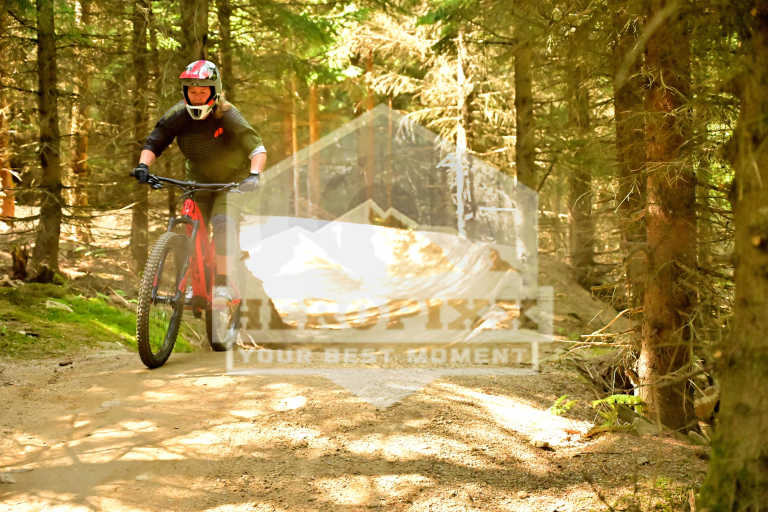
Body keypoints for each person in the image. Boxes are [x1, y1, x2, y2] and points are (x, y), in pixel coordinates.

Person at [132, 59, 265, 348]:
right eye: (191, 91)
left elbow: (256, 147)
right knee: (188, 226)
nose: (196, 96)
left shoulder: (227, 114)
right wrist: (143, 166)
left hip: (230, 184)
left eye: (202, 91)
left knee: (222, 223)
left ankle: (222, 284)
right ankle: (193, 284)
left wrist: (254, 175)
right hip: (196, 183)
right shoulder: (179, 114)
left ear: (214, 91)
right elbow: (155, 141)